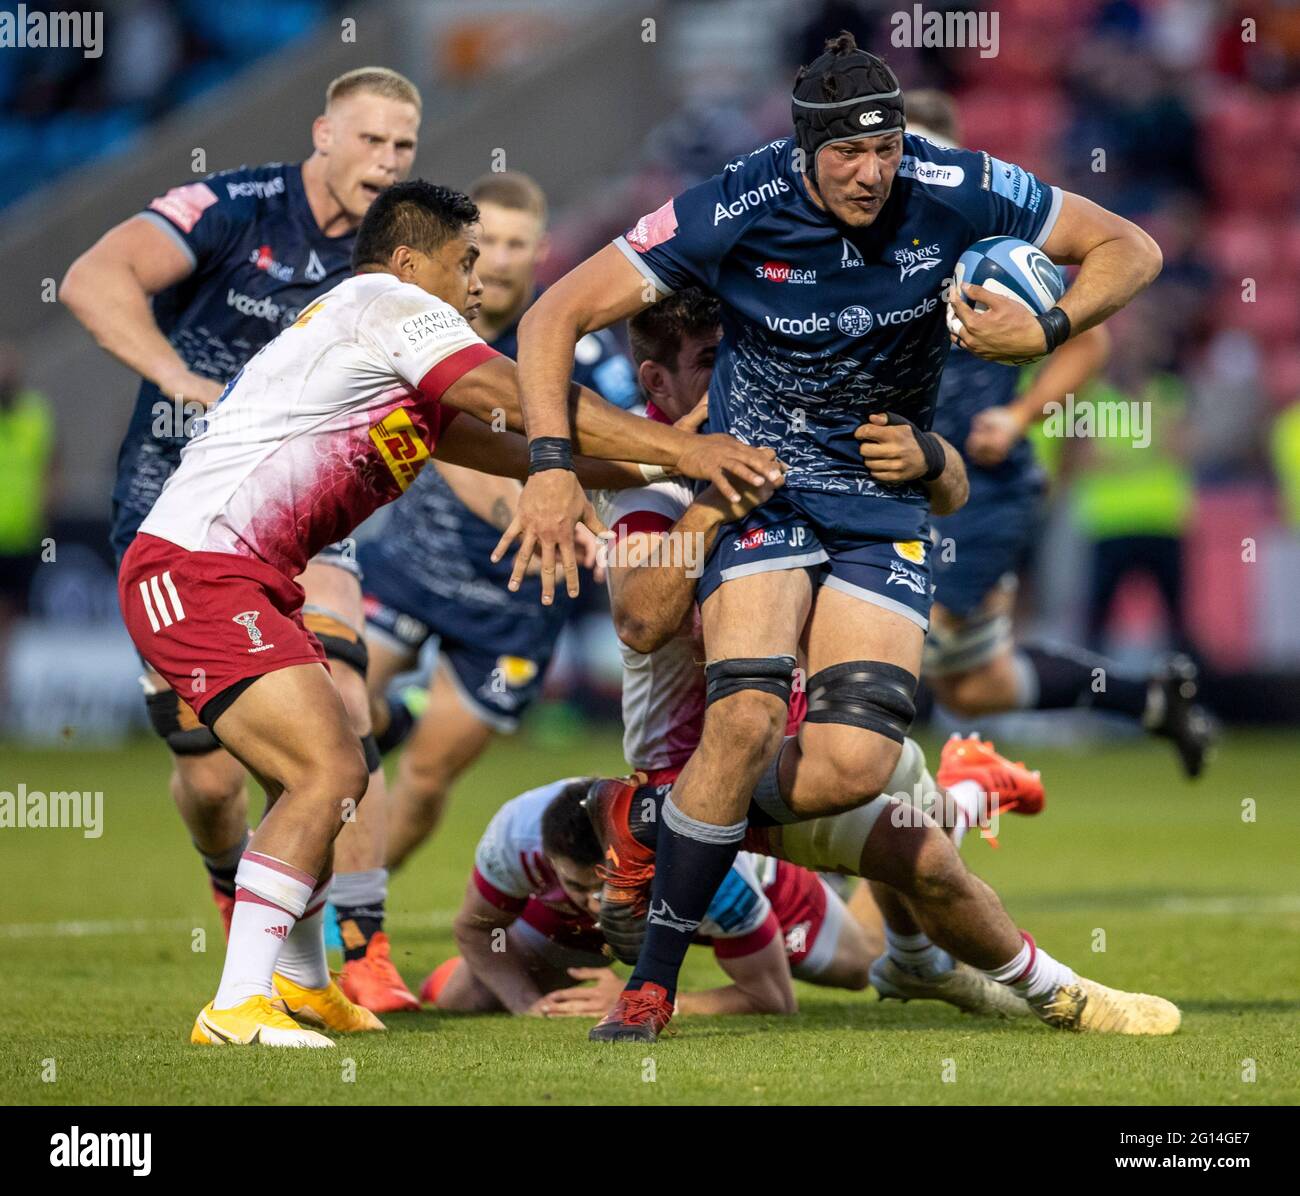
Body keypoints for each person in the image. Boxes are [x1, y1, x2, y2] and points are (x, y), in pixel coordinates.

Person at [505, 34, 1176, 1042]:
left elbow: (1134, 247)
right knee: (741, 718)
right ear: (804, 150)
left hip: (875, 497)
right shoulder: (733, 203)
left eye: (886, 151)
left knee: (858, 763)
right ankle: (650, 987)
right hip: (759, 487)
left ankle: (662, 818)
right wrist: (553, 468)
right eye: (847, 155)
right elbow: (554, 311)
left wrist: (1045, 329)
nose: (872, 175)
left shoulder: (952, 183)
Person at [114, 178, 781, 1046]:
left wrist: (667, 467)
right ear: (407, 262)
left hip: (239, 575)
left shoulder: (394, 369)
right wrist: (689, 447)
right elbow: (532, 396)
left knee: (320, 773)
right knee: (326, 773)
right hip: (199, 570)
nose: (477, 281)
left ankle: (302, 983)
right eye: (464, 260)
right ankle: (236, 1005)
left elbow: (524, 449)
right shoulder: (387, 305)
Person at [61, 67, 429, 1012]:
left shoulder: (395, 255)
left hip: (305, 517)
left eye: (404, 148)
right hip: (178, 508)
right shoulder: (235, 208)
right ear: (322, 133)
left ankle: (365, 947)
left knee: (346, 704)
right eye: (371, 142)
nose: (386, 164)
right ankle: (233, 882)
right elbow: (97, 279)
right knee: (214, 774)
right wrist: (182, 381)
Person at [904, 90, 1213, 779]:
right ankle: (1149, 698)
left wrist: (1017, 415)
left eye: (925, 153)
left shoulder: (988, 249)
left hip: (980, 488)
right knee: (974, 685)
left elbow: (1088, 346)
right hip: (902, 480)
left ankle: (895, 822)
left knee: (887, 637)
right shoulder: (872, 257)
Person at [358, 172, 638, 878]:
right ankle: (318, 897)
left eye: (518, 243)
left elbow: (631, 441)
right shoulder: (423, 324)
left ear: (542, 250)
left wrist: (607, 520)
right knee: (336, 722)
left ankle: (347, 912)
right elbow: (447, 446)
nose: (503, 259)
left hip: (516, 600)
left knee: (426, 775)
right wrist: (523, 510)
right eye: (488, 244)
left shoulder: (578, 346)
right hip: (412, 568)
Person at [424, 778, 879, 1018]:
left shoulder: (707, 868)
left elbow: (774, 999)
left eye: (604, 885)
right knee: (467, 998)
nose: (596, 904)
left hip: (738, 891)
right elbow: (475, 928)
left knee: (859, 969)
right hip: (606, 898)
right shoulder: (517, 836)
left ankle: (881, 860)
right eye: (579, 887)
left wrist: (640, 997)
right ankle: (451, 977)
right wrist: (526, 1003)